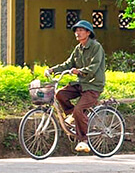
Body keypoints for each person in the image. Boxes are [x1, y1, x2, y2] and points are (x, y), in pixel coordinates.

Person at [45, 19, 106, 153]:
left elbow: (94, 66)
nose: (77, 33)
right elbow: (68, 63)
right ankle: (73, 116)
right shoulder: (78, 49)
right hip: (81, 84)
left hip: (93, 85)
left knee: (79, 110)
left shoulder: (96, 47)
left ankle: (84, 140)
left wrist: (80, 71)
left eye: (80, 30)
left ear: (88, 33)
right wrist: (52, 70)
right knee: (60, 94)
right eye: (76, 31)